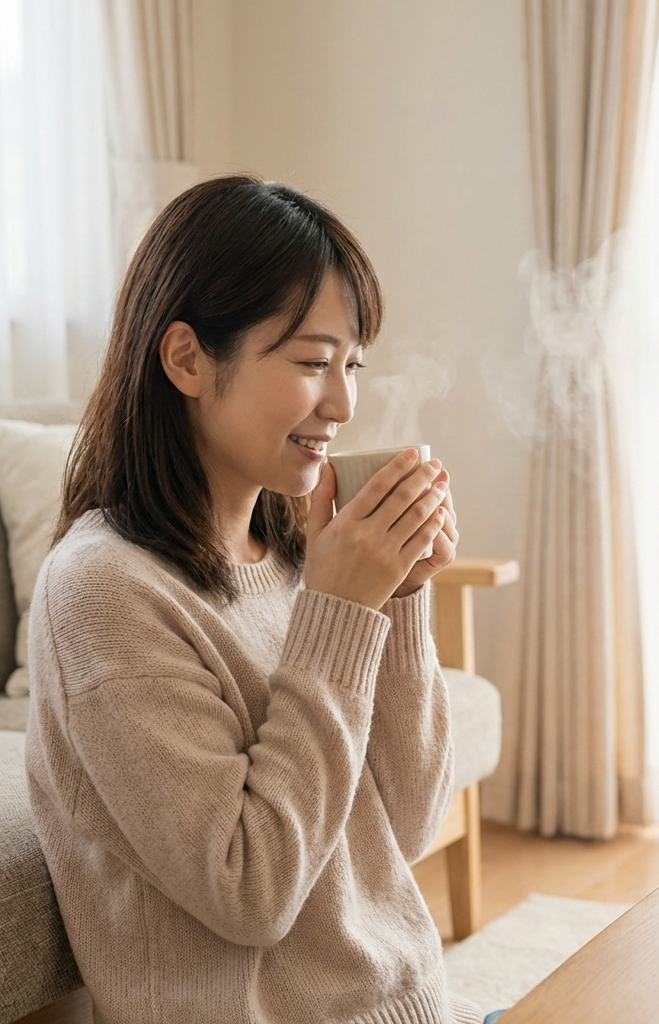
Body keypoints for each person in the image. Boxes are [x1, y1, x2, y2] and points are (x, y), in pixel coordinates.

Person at [25, 176, 485, 1023]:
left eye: (351, 365)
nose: (343, 404)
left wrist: (402, 597)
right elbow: (251, 889)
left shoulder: (294, 553)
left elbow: (407, 827)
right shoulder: (103, 592)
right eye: (312, 363)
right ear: (188, 358)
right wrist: (342, 614)